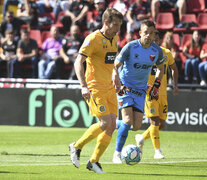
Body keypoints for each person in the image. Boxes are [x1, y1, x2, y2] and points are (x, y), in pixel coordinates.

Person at [69, 8, 123, 173]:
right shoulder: (93, 39)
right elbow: (78, 62)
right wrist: (83, 85)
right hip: (95, 87)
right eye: (115, 24)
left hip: (109, 87)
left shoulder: (115, 38)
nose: (118, 28)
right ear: (106, 22)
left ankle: (93, 162)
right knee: (105, 122)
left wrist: (117, 78)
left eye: (120, 25)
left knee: (112, 125)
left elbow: (112, 62)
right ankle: (76, 146)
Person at [112, 20, 165, 164]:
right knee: (128, 121)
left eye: (151, 33)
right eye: (145, 32)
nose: (148, 35)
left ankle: (114, 123)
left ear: (154, 34)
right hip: (126, 87)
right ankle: (117, 153)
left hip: (141, 91)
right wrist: (118, 83)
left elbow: (161, 68)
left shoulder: (156, 50)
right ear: (140, 33)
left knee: (135, 126)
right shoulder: (130, 47)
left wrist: (156, 86)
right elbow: (115, 66)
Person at [135, 30, 179, 159]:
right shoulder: (143, 54)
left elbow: (174, 68)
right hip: (149, 93)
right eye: (151, 39)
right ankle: (157, 151)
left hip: (163, 93)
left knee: (161, 124)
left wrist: (175, 84)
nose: (153, 42)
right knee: (154, 120)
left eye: (156, 40)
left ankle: (141, 137)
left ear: (159, 40)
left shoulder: (166, 53)